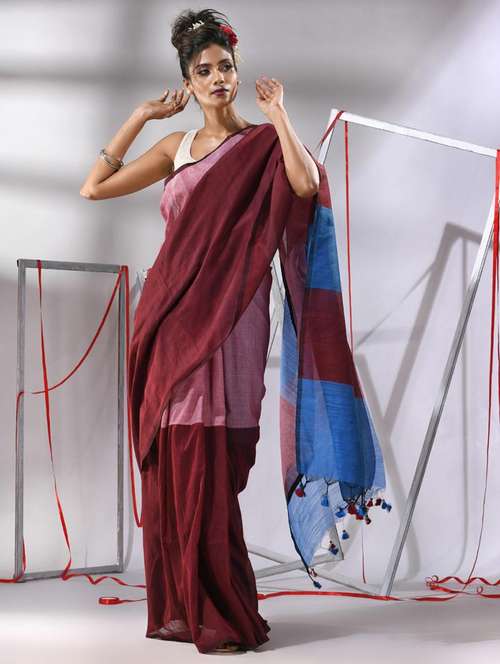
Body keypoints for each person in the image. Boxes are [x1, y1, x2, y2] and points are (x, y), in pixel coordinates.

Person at [79, 7, 323, 655]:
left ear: (238, 74)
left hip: (233, 319)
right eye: (204, 71)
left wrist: (280, 117)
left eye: (225, 67)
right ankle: (190, 606)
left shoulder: (263, 144)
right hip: (169, 319)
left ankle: (221, 606)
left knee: (214, 463)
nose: (218, 78)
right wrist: (141, 116)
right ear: (188, 82)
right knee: (175, 455)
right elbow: (94, 189)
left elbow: (305, 185)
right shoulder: (175, 148)